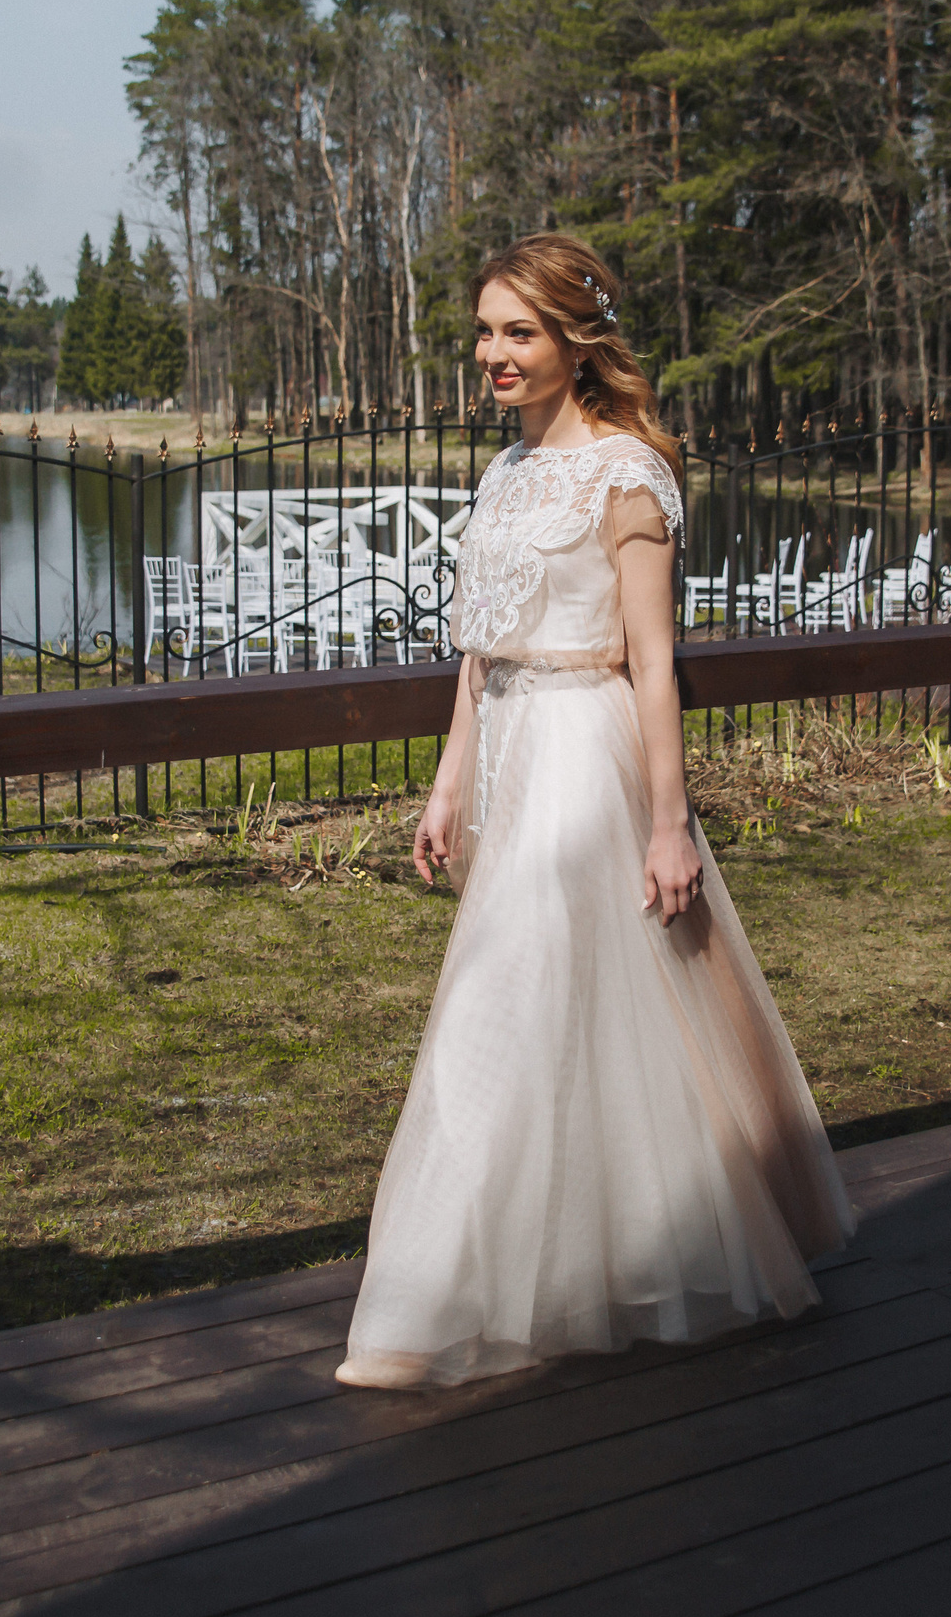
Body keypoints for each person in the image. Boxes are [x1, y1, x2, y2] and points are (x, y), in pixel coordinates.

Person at [335, 234, 856, 1390]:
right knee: (556, 1020)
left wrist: (668, 824)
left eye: (519, 332)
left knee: (496, 1008)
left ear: (578, 340)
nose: (494, 355)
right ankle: (571, 1264)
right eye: (484, 332)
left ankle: (426, 1306)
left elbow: (654, 666)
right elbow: (478, 650)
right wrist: (447, 781)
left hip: (583, 758)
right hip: (510, 747)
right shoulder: (505, 474)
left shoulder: (628, 473)